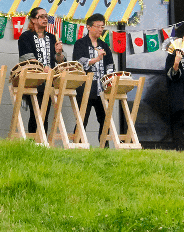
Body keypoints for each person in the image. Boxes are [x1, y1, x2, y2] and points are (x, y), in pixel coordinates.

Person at [17, 7, 65, 135]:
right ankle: (34, 142)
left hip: (49, 81)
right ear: (33, 19)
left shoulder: (51, 37)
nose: (45, 19)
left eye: (46, 17)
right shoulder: (25, 37)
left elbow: (60, 61)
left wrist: (59, 52)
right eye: (41, 16)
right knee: (36, 112)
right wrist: (45, 69)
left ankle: (42, 141)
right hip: (33, 80)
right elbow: (29, 59)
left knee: (45, 112)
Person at [72, 13, 114, 136]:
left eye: (102, 27)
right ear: (89, 27)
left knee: (105, 120)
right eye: (98, 26)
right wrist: (96, 59)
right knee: (82, 120)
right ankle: (78, 146)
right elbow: (78, 63)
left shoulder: (104, 45)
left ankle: (104, 148)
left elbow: (110, 65)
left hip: (102, 88)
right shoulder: (80, 43)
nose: (101, 29)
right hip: (85, 87)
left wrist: (109, 82)